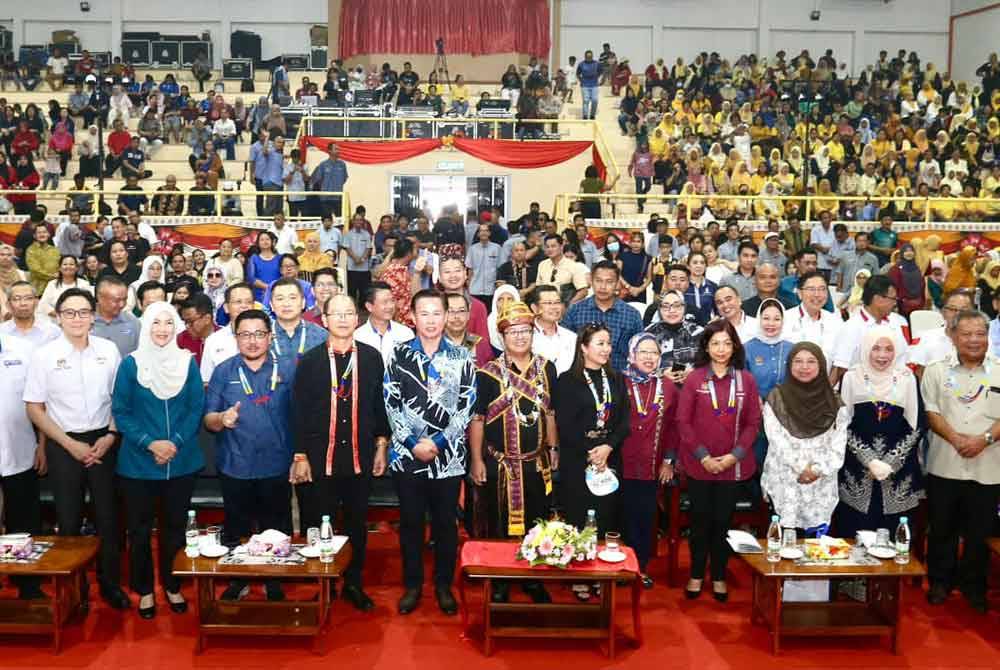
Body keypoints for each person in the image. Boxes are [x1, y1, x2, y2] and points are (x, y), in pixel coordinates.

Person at [24, 288, 131, 610]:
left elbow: (121, 399)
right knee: (68, 521)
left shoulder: (109, 350)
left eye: (83, 312)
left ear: (93, 316)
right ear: (58, 316)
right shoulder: (44, 355)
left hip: (104, 440)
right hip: (63, 442)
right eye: (69, 312)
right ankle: (75, 590)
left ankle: (109, 584)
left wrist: (111, 435)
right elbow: (34, 407)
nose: (77, 319)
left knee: (108, 518)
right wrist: (69, 444)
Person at [291, 294, 389, 612]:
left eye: (350, 313)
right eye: (337, 314)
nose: (344, 319)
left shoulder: (373, 358)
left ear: (358, 318)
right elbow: (298, 412)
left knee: (357, 524)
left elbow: (379, 408)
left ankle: (354, 583)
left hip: (360, 457)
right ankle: (324, 582)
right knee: (321, 524)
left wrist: (381, 446)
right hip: (321, 459)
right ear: (324, 318)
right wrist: (300, 455)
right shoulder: (310, 361)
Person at [384, 289, 477, 615]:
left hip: (448, 459)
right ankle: (412, 586)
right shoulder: (398, 355)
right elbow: (391, 402)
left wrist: (437, 443)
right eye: (424, 313)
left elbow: (466, 409)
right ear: (412, 316)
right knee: (410, 524)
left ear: (447, 315)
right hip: (406, 456)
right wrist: (411, 443)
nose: (432, 320)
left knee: (445, 526)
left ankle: (443, 586)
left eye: (438, 313)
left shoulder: (463, 358)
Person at [111, 301, 204, 619]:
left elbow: (195, 408)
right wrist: (151, 443)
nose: (162, 329)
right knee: (138, 531)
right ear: (146, 327)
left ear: (176, 326)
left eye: (168, 322)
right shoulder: (131, 365)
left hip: (181, 461)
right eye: (155, 323)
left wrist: (174, 443)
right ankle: (146, 590)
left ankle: (173, 585)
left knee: (175, 529)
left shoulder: (187, 363)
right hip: (138, 463)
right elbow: (121, 411)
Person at [204, 309, 296, 602]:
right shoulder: (223, 371)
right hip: (236, 463)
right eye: (245, 334)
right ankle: (239, 579)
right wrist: (222, 419)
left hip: (276, 463)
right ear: (236, 338)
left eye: (259, 334)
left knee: (277, 526)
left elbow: (301, 416)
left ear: (270, 337)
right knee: (236, 528)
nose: (252, 341)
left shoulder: (288, 369)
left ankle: (274, 580)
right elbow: (208, 419)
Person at [469, 301, 558, 603]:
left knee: (536, 521)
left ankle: (532, 578)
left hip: (536, 464)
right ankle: (501, 580)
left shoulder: (547, 368)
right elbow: (478, 418)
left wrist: (553, 447)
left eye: (525, 331)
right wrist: (477, 459)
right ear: (502, 337)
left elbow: (550, 413)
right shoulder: (488, 373)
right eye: (513, 332)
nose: (520, 337)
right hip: (500, 464)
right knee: (498, 522)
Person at [676, 320, 761, 602]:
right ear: (706, 347)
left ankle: (721, 575)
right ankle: (697, 573)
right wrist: (704, 457)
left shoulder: (746, 380)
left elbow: (753, 423)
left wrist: (733, 456)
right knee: (700, 523)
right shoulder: (695, 379)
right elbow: (683, 422)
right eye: (715, 343)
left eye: (726, 343)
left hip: (732, 466)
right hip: (700, 465)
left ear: (735, 346)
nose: (721, 349)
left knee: (723, 522)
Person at [922, 310, 1000, 613]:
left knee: (980, 529)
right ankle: (940, 582)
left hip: (989, 462)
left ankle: (974, 586)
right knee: (942, 526)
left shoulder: (998, 371)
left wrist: (984, 440)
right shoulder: (937, 371)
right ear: (953, 336)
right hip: (946, 460)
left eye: (980, 333)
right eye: (966, 333)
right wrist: (956, 439)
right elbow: (931, 412)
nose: (973, 340)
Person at [554, 322, 629, 600]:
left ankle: (600, 571)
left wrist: (607, 448)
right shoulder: (567, 380)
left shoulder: (617, 379)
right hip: (578, 461)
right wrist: (591, 452)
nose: (606, 349)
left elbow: (624, 421)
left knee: (605, 516)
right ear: (583, 347)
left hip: (609, 460)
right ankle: (578, 574)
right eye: (600, 343)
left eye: (608, 343)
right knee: (578, 517)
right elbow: (565, 424)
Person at [835, 327, 923, 538]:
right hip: (857, 471)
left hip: (898, 472)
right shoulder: (851, 377)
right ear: (865, 349)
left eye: (888, 349)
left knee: (895, 539)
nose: (882, 355)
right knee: (854, 537)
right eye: (875, 348)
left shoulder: (906, 378)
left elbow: (916, 425)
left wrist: (891, 461)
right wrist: (869, 459)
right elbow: (842, 425)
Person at [761, 342, 848, 532]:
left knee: (816, 552)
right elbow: (777, 441)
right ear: (789, 365)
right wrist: (802, 468)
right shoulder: (777, 398)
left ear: (821, 365)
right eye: (798, 361)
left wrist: (816, 470)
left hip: (821, 484)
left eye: (811, 362)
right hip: (785, 481)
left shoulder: (835, 402)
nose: (804, 367)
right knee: (783, 546)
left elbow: (839, 445)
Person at [620, 333, 677, 587]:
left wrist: (668, 460)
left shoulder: (668, 386)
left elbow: (675, 427)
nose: (649, 357)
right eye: (643, 351)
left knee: (644, 517)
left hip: (652, 465)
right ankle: (617, 567)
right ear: (632, 354)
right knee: (619, 517)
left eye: (654, 352)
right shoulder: (619, 382)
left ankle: (639, 568)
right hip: (619, 464)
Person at [0, 326, 45, 599]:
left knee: (24, 521)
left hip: (21, 449)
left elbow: (39, 402)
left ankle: (28, 585)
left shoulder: (23, 350)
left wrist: (43, 444)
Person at [562, 261, 643, 371]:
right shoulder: (575, 311)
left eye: (609, 282)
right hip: (582, 378)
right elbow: (564, 347)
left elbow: (639, 351)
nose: (603, 287)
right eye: (598, 281)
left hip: (620, 379)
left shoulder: (632, 315)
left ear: (617, 283)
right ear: (591, 280)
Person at [831, 275, 910, 385]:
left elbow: (904, 357)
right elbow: (840, 367)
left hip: (894, 386)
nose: (895, 303)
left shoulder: (896, 322)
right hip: (862, 390)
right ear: (877, 299)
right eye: (893, 299)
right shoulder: (852, 327)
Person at [644, 288, 703, 385]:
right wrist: (662, 373)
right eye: (666, 306)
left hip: (693, 385)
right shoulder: (649, 334)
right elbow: (640, 365)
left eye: (677, 306)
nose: (671, 310)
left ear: (684, 308)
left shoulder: (698, 332)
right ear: (659, 309)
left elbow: (708, 363)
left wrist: (693, 370)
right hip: (658, 389)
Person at [783, 271, 843, 365]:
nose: (817, 294)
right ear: (799, 293)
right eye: (811, 289)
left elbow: (840, 360)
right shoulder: (785, 319)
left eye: (822, 289)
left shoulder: (835, 322)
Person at [200, 283, 255, 383]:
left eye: (248, 302)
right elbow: (206, 380)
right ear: (226, 307)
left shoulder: (264, 337)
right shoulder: (213, 340)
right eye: (238, 302)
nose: (244, 306)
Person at [353, 281, 414, 366]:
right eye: (385, 302)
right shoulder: (357, 337)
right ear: (369, 306)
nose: (390, 306)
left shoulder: (405, 334)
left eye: (392, 301)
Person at [530, 284, 577, 375]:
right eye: (548, 303)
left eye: (557, 302)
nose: (554, 307)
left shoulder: (571, 337)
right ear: (535, 308)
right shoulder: (526, 337)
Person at [92, 276, 141, 356]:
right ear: (99, 297)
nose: (122, 305)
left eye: (125, 299)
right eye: (116, 300)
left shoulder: (133, 323)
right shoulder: (83, 322)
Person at [1, 281, 60, 346]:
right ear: (8, 305)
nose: (23, 303)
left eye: (28, 298)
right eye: (16, 299)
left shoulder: (53, 332)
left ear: (37, 302)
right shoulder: (2, 332)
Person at [536, 234, 590, 305]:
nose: (550, 249)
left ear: (561, 247)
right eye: (547, 247)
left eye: (553, 246)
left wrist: (569, 305)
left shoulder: (573, 266)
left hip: (565, 306)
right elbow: (538, 288)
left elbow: (583, 291)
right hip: (546, 307)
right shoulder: (542, 265)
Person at [444, 292, 494, 366]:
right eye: (451, 311)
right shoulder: (434, 345)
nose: (457, 316)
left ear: (468, 315)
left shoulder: (481, 345)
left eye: (461, 311)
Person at [887, 243, 929, 319]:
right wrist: (898, 301)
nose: (909, 253)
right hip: (902, 306)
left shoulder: (917, 268)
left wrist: (923, 301)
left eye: (911, 251)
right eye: (906, 251)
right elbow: (892, 287)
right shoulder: (895, 269)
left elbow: (922, 285)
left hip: (918, 305)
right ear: (902, 253)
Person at [466, 223, 502, 308]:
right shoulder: (472, 249)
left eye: (486, 231)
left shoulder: (497, 248)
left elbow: (500, 269)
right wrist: (468, 285)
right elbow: (470, 269)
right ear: (478, 234)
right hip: (475, 289)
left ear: (489, 233)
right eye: (481, 231)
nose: (484, 233)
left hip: (491, 290)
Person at [177, 293, 218, 364]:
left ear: (207, 319)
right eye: (185, 321)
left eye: (190, 321)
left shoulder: (226, 339)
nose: (187, 326)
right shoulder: (181, 339)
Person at [310, 145, 349, 218]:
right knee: (326, 220)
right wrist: (325, 188)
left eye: (339, 149)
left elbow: (344, 179)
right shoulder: (323, 165)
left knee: (340, 221)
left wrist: (337, 186)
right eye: (336, 149)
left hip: (338, 197)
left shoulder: (342, 164)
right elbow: (318, 180)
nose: (338, 151)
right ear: (329, 151)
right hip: (325, 198)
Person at [343, 214, 373, 305]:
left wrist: (363, 258)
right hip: (352, 267)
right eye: (357, 220)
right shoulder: (348, 234)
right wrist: (355, 258)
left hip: (364, 268)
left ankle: (363, 309)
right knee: (352, 290)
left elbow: (368, 248)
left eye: (361, 220)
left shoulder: (366, 234)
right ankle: (352, 307)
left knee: (364, 290)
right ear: (353, 221)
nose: (359, 222)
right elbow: (347, 248)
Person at [25, 222, 60, 296]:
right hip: (38, 290)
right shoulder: (31, 250)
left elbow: (60, 266)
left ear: (49, 234)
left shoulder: (55, 250)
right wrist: (53, 277)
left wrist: (59, 274)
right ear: (34, 236)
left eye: (44, 232)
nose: (42, 234)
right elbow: (35, 270)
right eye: (39, 233)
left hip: (54, 288)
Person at [246, 231, 281, 303]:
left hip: (278, 293)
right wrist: (268, 287)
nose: (265, 241)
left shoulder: (280, 258)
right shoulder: (254, 258)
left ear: (272, 242)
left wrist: (274, 289)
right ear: (258, 243)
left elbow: (283, 275)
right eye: (262, 240)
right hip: (259, 295)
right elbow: (251, 278)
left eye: (267, 239)